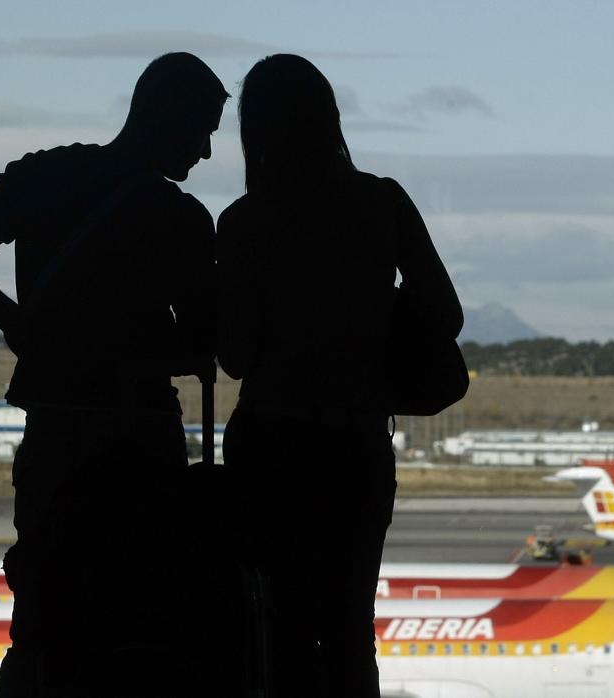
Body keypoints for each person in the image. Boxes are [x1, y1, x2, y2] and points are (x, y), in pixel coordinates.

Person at [0, 53, 228, 697]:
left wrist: (17, 323)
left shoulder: (47, 178)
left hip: (58, 426)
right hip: (143, 435)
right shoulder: (179, 218)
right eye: (201, 129)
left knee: (47, 604)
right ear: (167, 119)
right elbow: (207, 346)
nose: (205, 151)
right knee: (142, 612)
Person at [217, 54, 463, 698]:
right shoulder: (382, 202)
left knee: (279, 626)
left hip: (269, 443)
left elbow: (236, 357)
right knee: (350, 629)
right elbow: (446, 314)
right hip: (354, 445)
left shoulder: (243, 223)